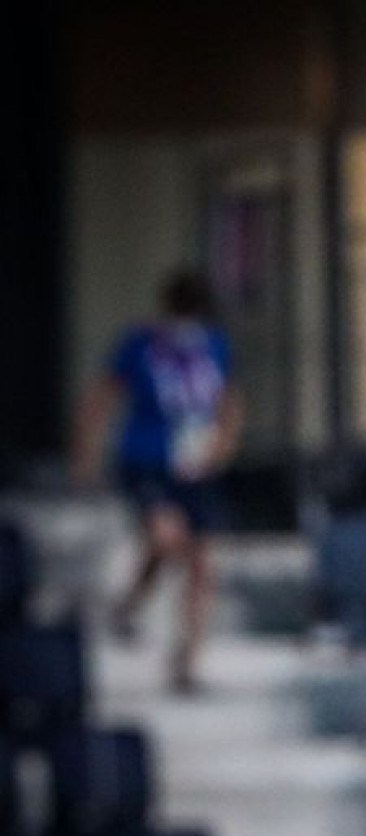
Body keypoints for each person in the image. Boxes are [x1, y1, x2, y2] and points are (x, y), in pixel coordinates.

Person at [70, 270, 243, 695]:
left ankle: (187, 660)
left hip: (193, 465)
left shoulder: (215, 346)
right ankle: (131, 603)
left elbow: (229, 401)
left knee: (201, 562)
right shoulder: (140, 343)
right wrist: (86, 455)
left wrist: (222, 447)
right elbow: (103, 396)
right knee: (166, 539)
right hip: (146, 461)